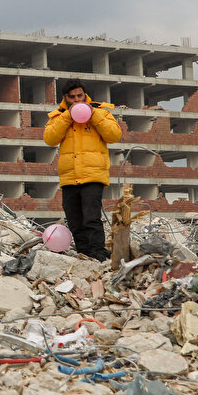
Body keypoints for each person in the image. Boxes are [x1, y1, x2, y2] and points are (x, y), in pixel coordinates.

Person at [43, 79, 122, 261]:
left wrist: (93, 115)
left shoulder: (101, 112)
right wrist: (68, 116)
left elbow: (114, 135)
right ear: (66, 98)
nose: (77, 100)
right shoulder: (58, 116)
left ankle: (98, 254)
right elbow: (49, 138)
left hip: (93, 175)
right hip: (70, 177)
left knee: (91, 218)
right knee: (75, 220)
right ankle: (84, 253)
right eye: (72, 97)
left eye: (80, 96)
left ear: (85, 95)